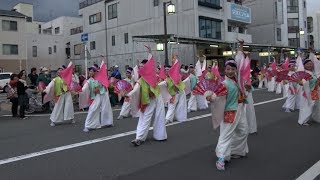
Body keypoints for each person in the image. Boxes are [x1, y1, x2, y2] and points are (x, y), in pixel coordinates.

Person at [207, 40, 249, 171]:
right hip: (230, 111)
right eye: (228, 69)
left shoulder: (239, 81)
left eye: (233, 69)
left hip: (240, 109)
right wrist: (210, 97)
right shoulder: (224, 83)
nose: (230, 71)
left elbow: (241, 62)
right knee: (225, 135)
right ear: (224, 70)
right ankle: (221, 158)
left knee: (243, 131)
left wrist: (241, 47)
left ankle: (235, 150)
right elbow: (216, 95)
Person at [128, 59, 167, 146]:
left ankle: (160, 136)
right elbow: (135, 89)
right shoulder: (141, 80)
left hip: (157, 97)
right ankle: (139, 138)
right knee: (144, 118)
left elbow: (162, 82)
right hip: (148, 101)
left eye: (142, 67)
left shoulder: (154, 76)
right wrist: (128, 94)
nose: (140, 69)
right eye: (140, 67)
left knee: (160, 116)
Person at [82, 66, 114, 132]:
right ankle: (88, 126)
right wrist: (80, 91)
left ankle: (108, 122)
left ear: (95, 72)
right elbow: (85, 88)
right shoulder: (89, 80)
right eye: (89, 71)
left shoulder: (100, 78)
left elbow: (107, 85)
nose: (89, 72)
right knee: (93, 109)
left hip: (103, 94)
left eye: (91, 71)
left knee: (106, 108)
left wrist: (105, 84)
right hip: (95, 96)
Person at [297, 59, 320, 125]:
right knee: (306, 106)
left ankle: (315, 118)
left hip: (314, 91)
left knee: (315, 106)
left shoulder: (313, 72)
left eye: (310, 63)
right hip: (306, 92)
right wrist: (304, 81)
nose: (309, 65)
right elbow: (300, 82)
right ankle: (303, 121)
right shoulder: (303, 72)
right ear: (304, 65)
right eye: (307, 64)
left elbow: (316, 81)